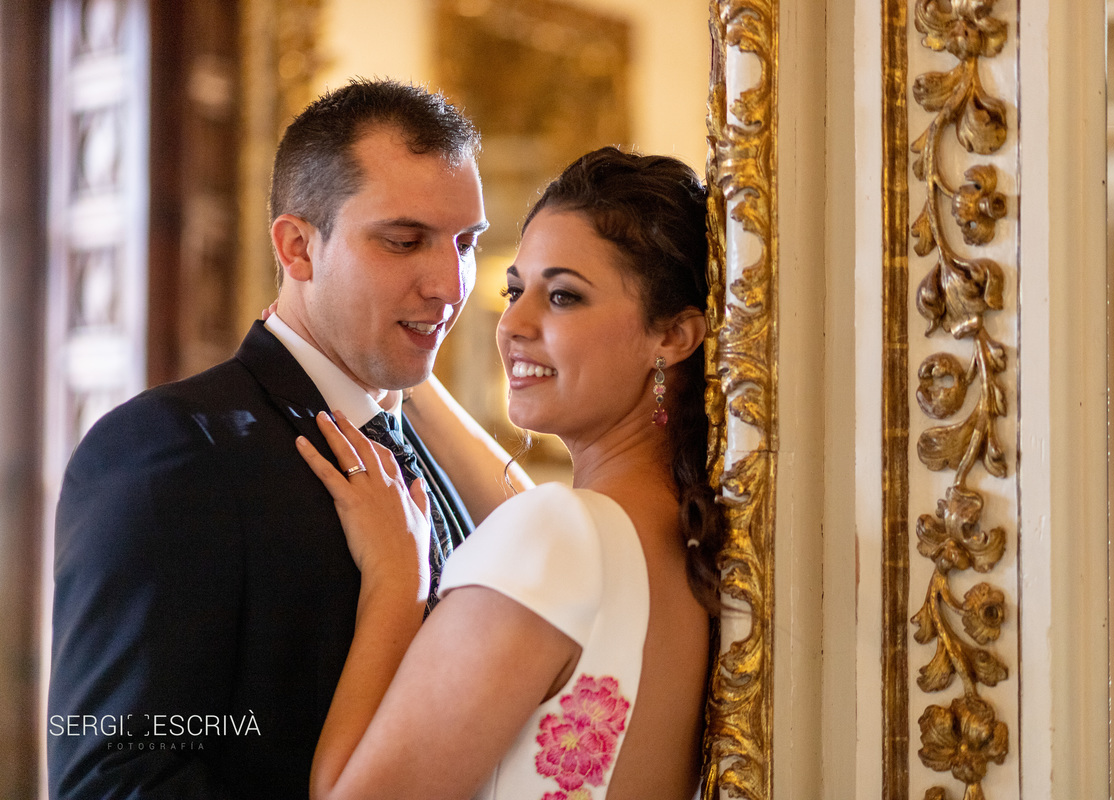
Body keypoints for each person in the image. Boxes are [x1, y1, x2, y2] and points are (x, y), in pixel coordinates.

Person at [47, 78, 527, 799]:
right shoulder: (171, 450)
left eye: (466, 243)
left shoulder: (425, 450)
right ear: (298, 247)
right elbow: (115, 782)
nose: (449, 285)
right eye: (404, 241)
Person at [298, 146, 724, 800]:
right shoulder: (680, 538)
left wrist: (396, 582)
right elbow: (545, 532)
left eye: (563, 296)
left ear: (672, 336)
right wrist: (405, 376)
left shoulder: (557, 539)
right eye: (514, 289)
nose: (514, 324)